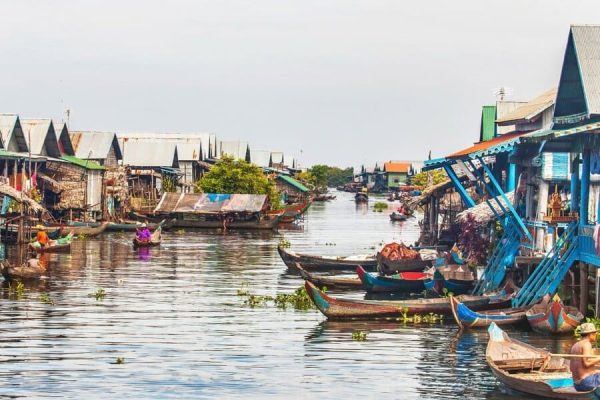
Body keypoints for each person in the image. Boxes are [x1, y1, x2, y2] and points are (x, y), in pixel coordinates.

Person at [571, 323, 600, 392]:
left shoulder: (575, 346)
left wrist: (594, 371)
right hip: (587, 383)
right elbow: (587, 363)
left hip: (577, 385)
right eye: (595, 333)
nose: (595, 335)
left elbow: (571, 367)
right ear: (590, 334)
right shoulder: (587, 344)